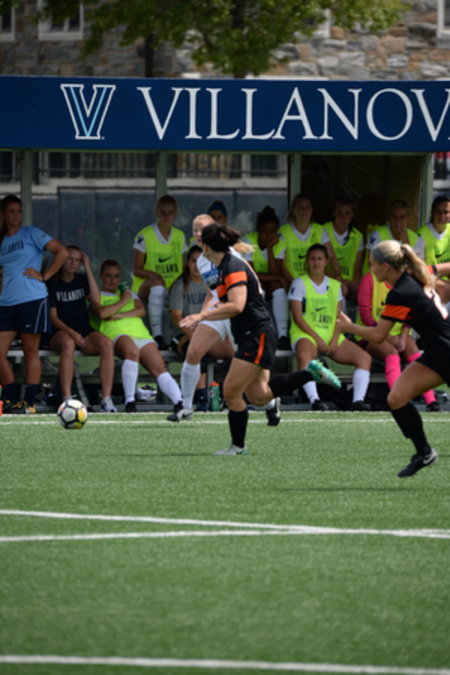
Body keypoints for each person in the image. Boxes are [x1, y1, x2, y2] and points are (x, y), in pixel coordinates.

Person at [180, 223, 341, 455]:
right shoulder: (222, 266)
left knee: (231, 391)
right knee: (258, 395)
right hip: (249, 334)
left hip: (257, 334)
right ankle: (310, 373)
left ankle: (238, 447)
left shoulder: (232, 266)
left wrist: (202, 315)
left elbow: (237, 305)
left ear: (206, 246)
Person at [339, 240, 450, 477]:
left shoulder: (401, 292)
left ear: (386, 266)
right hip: (437, 353)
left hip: (446, 352)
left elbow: (378, 336)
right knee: (396, 398)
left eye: (372, 264)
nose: (370, 269)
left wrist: (349, 327)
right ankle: (424, 453)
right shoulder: (417, 273)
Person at [0, 194, 68, 413]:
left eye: (19, 211)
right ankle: (11, 399)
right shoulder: (1, 240)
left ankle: (28, 403)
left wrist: (44, 275)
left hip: (31, 299)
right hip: (6, 303)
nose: (16, 216)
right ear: (3, 214)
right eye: (11, 211)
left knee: (30, 350)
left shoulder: (31, 233)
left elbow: (62, 252)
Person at [91, 258, 186, 416]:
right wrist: (123, 302)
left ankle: (179, 403)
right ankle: (130, 401)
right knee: (132, 352)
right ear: (100, 276)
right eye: (108, 276)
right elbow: (102, 313)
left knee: (159, 367)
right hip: (116, 333)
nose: (112, 280)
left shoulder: (128, 293)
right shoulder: (97, 295)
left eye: (116, 276)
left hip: (140, 332)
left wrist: (118, 314)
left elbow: (141, 310)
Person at [169, 214, 237, 422]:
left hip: (236, 312)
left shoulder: (231, 256)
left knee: (247, 363)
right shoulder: (201, 261)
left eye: (202, 230)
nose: (198, 234)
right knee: (193, 352)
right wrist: (201, 316)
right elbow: (211, 293)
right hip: (216, 313)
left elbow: (241, 293)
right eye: (195, 230)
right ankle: (186, 407)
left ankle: (269, 402)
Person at [289, 243, 372, 411]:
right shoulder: (299, 283)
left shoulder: (335, 285)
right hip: (306, 334)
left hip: (331, 334)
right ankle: (315, 401)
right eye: (312, 259)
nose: (316, 262)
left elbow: (338, 317)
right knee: (305, 356)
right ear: (307, 261)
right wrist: (318, 339)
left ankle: (357, 402)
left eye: (320, 259)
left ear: (327, 261)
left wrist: (334, 340)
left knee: (364, 359)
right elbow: (297, 317)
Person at [357, 270, 440, 412]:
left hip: (398, 334)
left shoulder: (406, 283)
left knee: (413, 351)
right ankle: (399, 401)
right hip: (372, 334)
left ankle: (431, 401)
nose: (373, 266)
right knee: (392, 353)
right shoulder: (369, 280)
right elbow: (366, 316)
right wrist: (389, 337)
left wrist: (403, 336)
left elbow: (410, 313)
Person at [46, 245, 117, 411]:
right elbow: (53, 318)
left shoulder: (83, 279)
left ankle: (106, 398)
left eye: (77, 260)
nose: (73, 263)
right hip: (60, 330)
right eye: (69, 259)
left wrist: (88, 269)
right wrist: (70, 332)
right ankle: (67, 398)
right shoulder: (52, 283)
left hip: (82, 328)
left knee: (106, 344)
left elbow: (96, 300)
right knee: (68, 344)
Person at [131, 194, 187, 350]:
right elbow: (136, 268)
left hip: (172, 288)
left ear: (176, 214)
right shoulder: (145, 235)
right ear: (156, 212)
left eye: (170, 212)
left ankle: (185, 337)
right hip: (146, 287)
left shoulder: (180, 236)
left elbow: (184, 268)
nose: (166, 216)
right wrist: (153, 275)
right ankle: (157, 336)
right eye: (163, 212)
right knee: (158, 284)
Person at [169, 244, 210, 412]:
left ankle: (237, 395)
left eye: (200, 261)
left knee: (233, 350)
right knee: (196, 349)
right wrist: (194, 335)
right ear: (187, 263)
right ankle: (199, 396)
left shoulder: (210, 283)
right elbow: (176, 318)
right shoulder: (181, 285)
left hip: (206, 332)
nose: (197, 265)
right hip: (182, 334)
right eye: (193, 261)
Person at [243, 205, 290, 350]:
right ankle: (259, 333)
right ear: (258, 230)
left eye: (272, 232)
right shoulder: (248, 242)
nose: (268, 236)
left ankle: (282, 336)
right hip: (254, 284)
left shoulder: (280, 244)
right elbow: (251, 275)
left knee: (279, 288)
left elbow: (276, 272)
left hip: (269, 283)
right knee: (259, 288)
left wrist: (270, 250)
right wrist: (277, 278)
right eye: (264, 231)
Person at [279, 193, 340, 286]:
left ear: (312, 210)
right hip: (292, 282)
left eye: (307, 207)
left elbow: (331, 256)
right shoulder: (283, 232)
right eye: (300, 207)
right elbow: (281, 264)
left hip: (316, 282)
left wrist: (338, 276)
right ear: (293, 210)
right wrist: (294, 283)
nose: (304, 210)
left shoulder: (320, 230)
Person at [322, 197, 364, 305]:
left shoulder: (357, 236)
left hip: (349, 283)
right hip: (328, 279)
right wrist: (338, 280)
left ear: (352, 215)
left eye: (347, 213)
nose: (343, 217)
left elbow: (357, 267)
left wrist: (354, 284)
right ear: (334, 213)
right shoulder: (323, 231)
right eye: (339, 213)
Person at [365, 199, 425, 272]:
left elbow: (418, 269)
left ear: (408, 218)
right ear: (389, 218)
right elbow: (372, 265)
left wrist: (406, 242)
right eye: (394, 217)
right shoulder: (377, 234)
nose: (397, 221)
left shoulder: (417, 239)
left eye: (402, 217)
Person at [417, 194, 450, 266]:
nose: (442, 215)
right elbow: (419, 267)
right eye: (438, 212)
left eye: (446, 212)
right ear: (432, 213)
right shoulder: (421, 234)